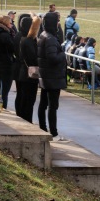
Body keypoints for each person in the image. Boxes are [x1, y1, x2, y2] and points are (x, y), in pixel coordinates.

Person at [37, 12, 67, 140]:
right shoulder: (50, 38)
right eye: (56, 22)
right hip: (52, 77)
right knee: (52, 106)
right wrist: (63, 54)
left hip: (46, 75)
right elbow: (52, 58)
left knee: (44, 104)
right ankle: (53, 133)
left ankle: (42, 128)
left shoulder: (43, 35)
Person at [16, 14, 39, 122]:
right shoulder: (28, 41)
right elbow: (33, 58)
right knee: (28, 100)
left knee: (24, 99)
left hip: (23, 73)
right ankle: (26, 120)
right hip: (28, 75)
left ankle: (24, 118)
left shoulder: (24, 39)